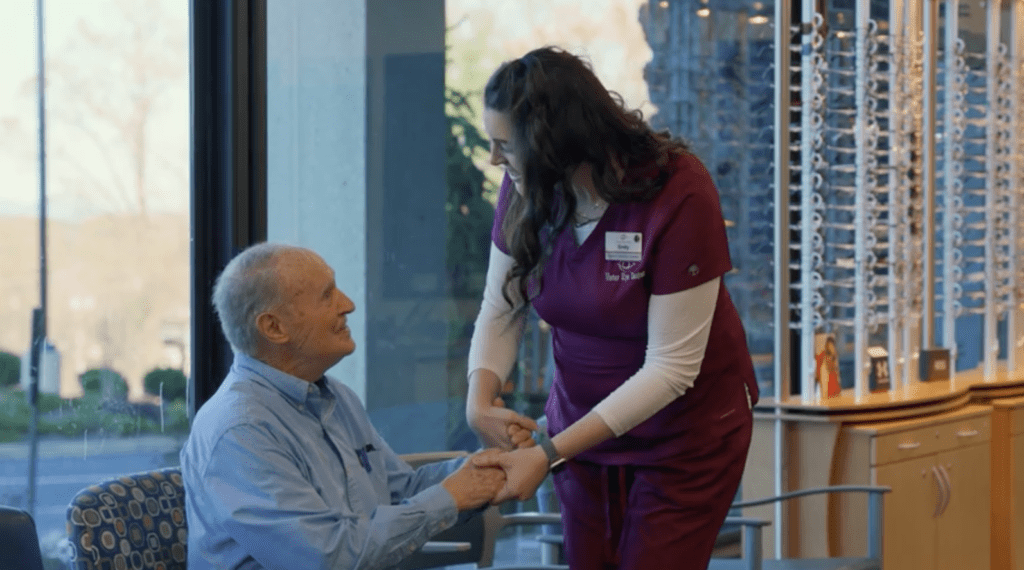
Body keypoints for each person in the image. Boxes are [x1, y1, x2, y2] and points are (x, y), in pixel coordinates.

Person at [465, 46, 760, 570]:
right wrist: (478, 397)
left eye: (503, 145)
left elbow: (671, 369)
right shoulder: (526, 186)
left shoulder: (678, 191)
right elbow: (501, 305)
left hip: (683, 440)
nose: (493, 160)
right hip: (581, 436)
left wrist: (548, 453)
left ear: (553, 144)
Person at [180, 242, 506, 570]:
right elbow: (328, 557)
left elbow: (398, 492)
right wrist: (451, 498)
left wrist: (488, 467)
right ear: (274, 328)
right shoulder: (241, 431)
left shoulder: (335, 396)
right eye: (327, 295)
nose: (348, 305)